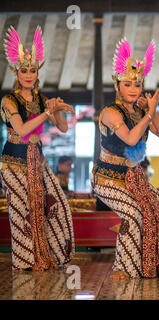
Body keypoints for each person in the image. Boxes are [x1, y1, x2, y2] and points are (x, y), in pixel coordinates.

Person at [91, 38, 159, 280]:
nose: (133, 88)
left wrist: (152, 110)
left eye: (137, 85)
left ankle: (156, 265)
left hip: (134, 177)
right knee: (134, 214)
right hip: (108, 179)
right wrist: (149, 112)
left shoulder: (142, 111)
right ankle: (123, 267)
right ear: (117, 84)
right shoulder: (110, 112)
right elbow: (130, 139)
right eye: (127, 84)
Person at [0, 26, 75, 271]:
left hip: (36, 163)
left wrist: (59, 109)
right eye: (24, 70)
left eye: (33, 70)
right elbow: (21, 131)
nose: (29, 75)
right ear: (16, 72)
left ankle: (50, 254)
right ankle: (24, 262)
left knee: (56, 205)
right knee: (21, 213)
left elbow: (62, 128)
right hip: (14, 162)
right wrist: (47, 111)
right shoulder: (9, 100)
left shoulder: (43, 99)